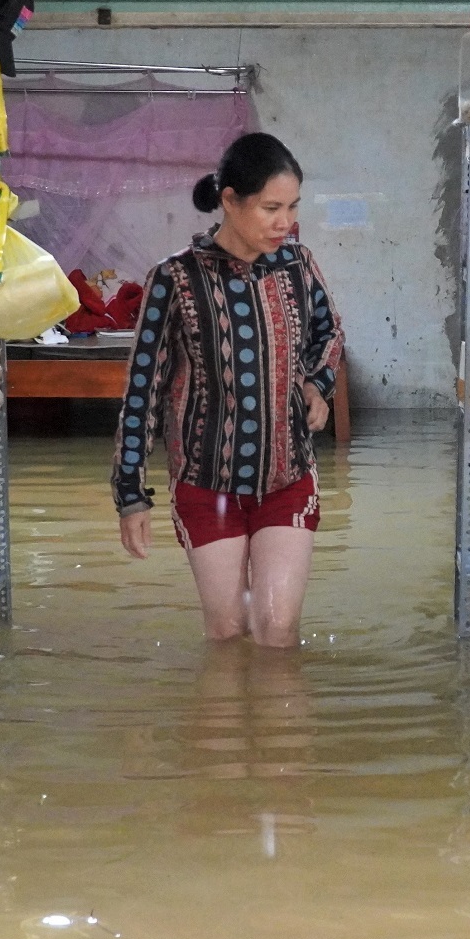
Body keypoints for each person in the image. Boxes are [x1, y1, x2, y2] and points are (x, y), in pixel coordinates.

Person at [113, 133, 344, 648]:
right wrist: (130, 494)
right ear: (230, 200)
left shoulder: (297, 265)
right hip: (206, 483)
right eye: (270, 208)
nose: (285, 222)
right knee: (228, 631)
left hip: (287, 476)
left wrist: (317, 384)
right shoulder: (173, 279)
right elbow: (142, 390)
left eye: (292, 207)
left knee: (278, 630)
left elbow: (331, 333)